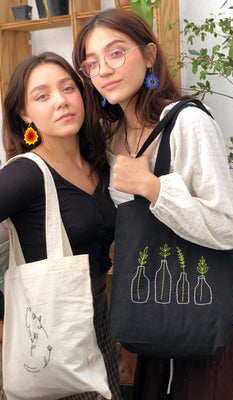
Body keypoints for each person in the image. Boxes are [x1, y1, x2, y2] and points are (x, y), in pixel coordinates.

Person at [73, 8, 233, 400]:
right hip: (151, 300)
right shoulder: (110, 137)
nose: (103, 70)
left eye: (116, 53)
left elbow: (226, 227)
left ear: (149, 55)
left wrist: (153, 188)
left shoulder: (187, 122)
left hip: (205, 298)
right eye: (91, 62)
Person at [0, 52, 122, 400]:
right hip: (53, 328)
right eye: (42, 95)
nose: (61, 101)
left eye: (68, 88)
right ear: (24, 114)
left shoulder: (99, 165)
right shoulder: (26, 173)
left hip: (98, 317)